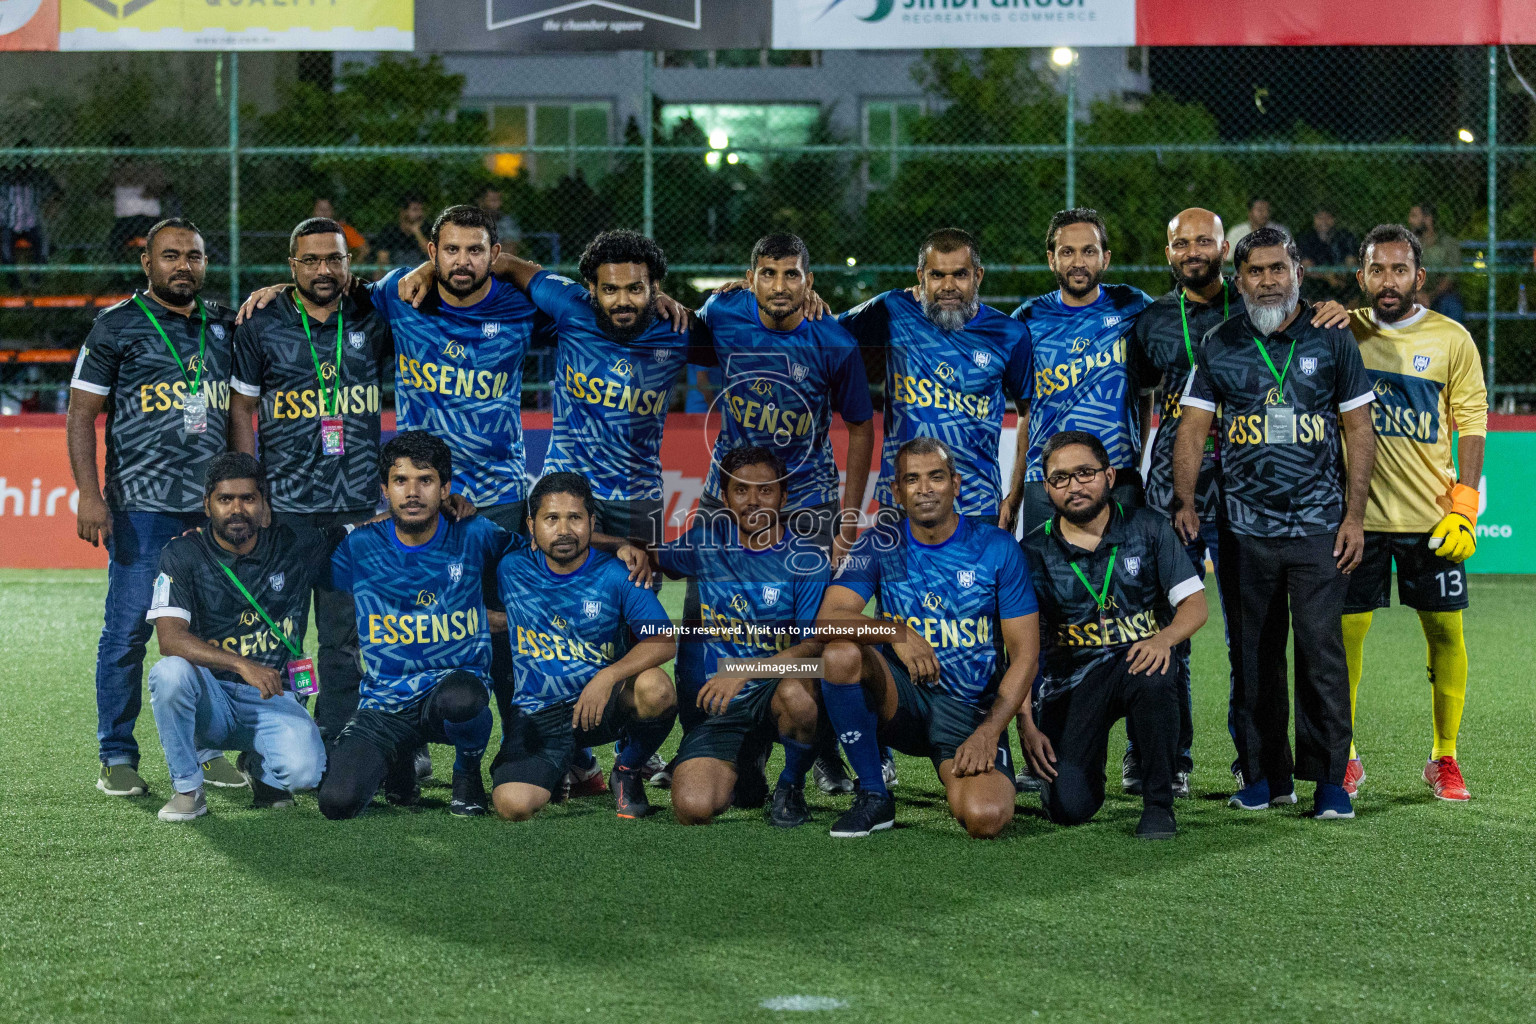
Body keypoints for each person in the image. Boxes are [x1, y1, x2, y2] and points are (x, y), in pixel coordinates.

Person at [239, 205, 554, 785]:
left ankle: (526, 754)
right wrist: (284, 286)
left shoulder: (522, 306)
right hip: (418, 501)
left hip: (499, 496)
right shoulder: (398, 298)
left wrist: (511, 264)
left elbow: (590, 310)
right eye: (450, 250)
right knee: (404, 628)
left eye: (477, 250)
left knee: (510, 631)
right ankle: (392, 742)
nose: (464, 261)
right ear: (431, 253)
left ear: (493, 252)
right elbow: (325, 286)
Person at [1131, 209, 1351, 796]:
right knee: (1173, 628)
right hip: (1186, 497)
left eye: (1205, 240)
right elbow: (1154, 406)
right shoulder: (1153, 321)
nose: (1194, 250)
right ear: (1169, 250)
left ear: (1225, 250)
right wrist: (1166, 492)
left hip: (1264, 503)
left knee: (1270, 643)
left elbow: (1348, 388)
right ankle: (1170, 757)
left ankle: (1278, 767)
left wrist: (1344, 311)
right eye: (1183, 242)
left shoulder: (1278, 310)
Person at [1172, 225, 1377, 821]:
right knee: (1255, 658)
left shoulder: (1333, 337)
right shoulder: (1219, 342)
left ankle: (1330, 784)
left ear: (1298, 272)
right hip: (1243, 529)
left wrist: (1354, 515)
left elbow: (1358, 430)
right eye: (1254, 272)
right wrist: (1186, 501)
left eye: (1277, 269)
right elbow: (1191, 427)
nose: (1267, 281)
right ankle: (1265, 777)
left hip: (1318, 527)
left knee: (1321, 657)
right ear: (1239, 280)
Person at [68, 217, 242, 798]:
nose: (183, 266)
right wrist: (90, 495)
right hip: (141, 509)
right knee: (126, 634)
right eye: (170, 256)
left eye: (193, 256)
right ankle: (116, 755)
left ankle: (209, 747)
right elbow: (79, 415)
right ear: (148, 263)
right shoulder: (116, 326)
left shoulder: (225, 322)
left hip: (212, 514)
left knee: (212, 632)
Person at [696, 232, 875, 796]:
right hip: (727, 496)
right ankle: (708, 737)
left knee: (812, 633)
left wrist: (848, 516)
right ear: (750, 279)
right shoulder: (722, 312)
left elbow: (862, 426)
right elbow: (688, 328)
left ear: (809, 281)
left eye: (792, 275)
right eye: (768, 274)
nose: (780, 286)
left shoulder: (833, 341)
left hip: (807, 502)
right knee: (705, 622)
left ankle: (823, 751)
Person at [398, 228, 711, 549]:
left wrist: (743, 290)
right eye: (610, 290)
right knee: (561, 590)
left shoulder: (679, 330)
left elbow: (742, 332)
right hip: (566, 486)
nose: (622, 301)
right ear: (591, 288)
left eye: (635, 289)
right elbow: (501, 262)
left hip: (637, 494)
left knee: (637, 590)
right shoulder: (569, 305)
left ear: (654, 287)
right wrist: (424, 269)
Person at [815, 437, 1040, 839]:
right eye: (912, 480)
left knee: (985, 817)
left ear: (956, 483)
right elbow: (828, 619)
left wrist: (990, 731)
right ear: (897, 491)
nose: (925, 489)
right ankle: (873, 794)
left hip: (969, 711)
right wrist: (896, 631)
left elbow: (1026, 655)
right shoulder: (880, 544)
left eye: (936, 477)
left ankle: (964, 760)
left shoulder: (997, 547)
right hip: (902, 698)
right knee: (839, 655)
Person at [229, 217, 394, 746]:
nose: (324, 270)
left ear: (349, 263)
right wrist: (252, 494)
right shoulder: (261, 322)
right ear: (291, 266)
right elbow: (242, 411)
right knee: (286, 637)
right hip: (289, 509)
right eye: (311, 260)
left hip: (359, 509)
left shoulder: (375, 314)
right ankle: (289, 736)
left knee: (345, 639)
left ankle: (339, 735)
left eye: (335, 259)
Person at [1344, 224, 1488, 802]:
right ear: (1362, 277)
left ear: (1418, 277)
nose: (1388, 281)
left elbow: (1472, 423)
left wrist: (1465, 510)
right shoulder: (1344, 332)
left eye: (1399, 270)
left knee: (1445, 633)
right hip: (1358, 523)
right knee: (1343, 642)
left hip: (1430, 522)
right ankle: (1344, 753)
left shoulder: (1452, 339)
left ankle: (1444, 757)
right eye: (1377, 270)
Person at [1018, 432, 1207, 838]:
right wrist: (1025, 722)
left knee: (1156, 670)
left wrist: (1163, 639)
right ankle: (1086, 770)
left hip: (1136, 664)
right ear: (1047, 487)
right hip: (1071, 683)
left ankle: (1159, 805)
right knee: (1068, 808)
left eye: (1085, 473)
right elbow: (1018, 650)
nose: (1074, 486)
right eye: (1060, 478)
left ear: (1108, 475)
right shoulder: (1030, 552)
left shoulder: (1149, 529)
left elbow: (1195, 606)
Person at [318, 431, 509, 820]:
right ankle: (398, 758)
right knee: (337, 802)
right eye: (400, 480)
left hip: (452, 687)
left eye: (425, 480)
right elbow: (293, 559)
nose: (412, 492)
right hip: (385, 701)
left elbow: (537, 561)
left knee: (465, 699)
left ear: (446, 488)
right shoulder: (360, 546)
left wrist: (614, 549)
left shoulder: (475, 533)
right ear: (385, 491)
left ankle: (466, 773)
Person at [641, 445, 828, 828]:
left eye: (766, 490)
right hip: (724, 706)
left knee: (796, 693)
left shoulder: (807, 559)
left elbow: (814, 651)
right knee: (693, 807)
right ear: (725, 497)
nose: (753, 501)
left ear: (783, 495)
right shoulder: (706, 543)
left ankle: (791, 784)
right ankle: (747, 761)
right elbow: (655, 556)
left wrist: (743, 669)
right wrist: (626, 550)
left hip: (779, 692)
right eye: (741, 490)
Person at [144, 453, 329, 821]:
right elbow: (169, 639)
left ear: (263, 504)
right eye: (225, 499)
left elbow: (370, 529)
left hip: (274, 696)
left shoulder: (294, 543)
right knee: (170, 673)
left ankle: (259, 766)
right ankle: (188, 789)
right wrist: (243, 665)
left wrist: (440, 509)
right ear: (207, 504)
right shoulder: (182, 554)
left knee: (305, 774)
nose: (237, 509)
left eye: (248, 498)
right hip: (211, 699)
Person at [489, 473, 678, 822]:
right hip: (536, 712)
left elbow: (663, 639)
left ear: (592, 522)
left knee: (657, 689)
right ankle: (577, 767)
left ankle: (628, 767)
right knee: (513, 806)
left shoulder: (619, 574)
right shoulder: (509, 566)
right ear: (532, 525)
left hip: (601, 706)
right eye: (551, 519)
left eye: (575, 518)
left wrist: (609, 676)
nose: (564, 530)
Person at [838, 227, 1031, 527]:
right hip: (902, 501)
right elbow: (823, 332)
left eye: (960, 274)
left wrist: (1015, 496)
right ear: (921, 277)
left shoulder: (1009, 334)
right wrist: (747, 297)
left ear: (978, 276)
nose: (948, 286)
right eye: (937, 275)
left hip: (976, 505)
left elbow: (1027, 413)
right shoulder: (894, 310)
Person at [1003, 208, 1155, 536]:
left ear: (1106, 258)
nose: (1078, 262)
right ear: (1051, 259)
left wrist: (1134, 464)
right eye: (1067, 251)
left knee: (1122, 584)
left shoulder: (1134, 306)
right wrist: (1014, 495)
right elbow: (1025, 414)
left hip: (1117, 478)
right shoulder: (1027, 319)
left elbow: (1146, 393)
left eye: (1088, 251)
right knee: (1048, 586)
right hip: (1046, 481)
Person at [0, 138, 61, 279]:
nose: (24, 160)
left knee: (43, 245)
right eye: (21, 156)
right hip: (10, 224)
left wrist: (50, 205)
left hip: (32, 224)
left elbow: (57, 193)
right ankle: (14, 283)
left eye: (27, 156)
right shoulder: (6, 175)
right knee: (5, 249)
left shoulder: (38, 175)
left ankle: (35, 278)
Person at [1408, 203, 1463, 322]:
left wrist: (1430, 296)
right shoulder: (1407, 245)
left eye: (1414, 216)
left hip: (1440, 295)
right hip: (1414, 295)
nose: (1410, 220)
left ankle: (1452, 340)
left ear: (1428, 219)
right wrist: (1417, 294)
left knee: (1452, 305)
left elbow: (1450, 277)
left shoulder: (1448, 244)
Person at [1295, 206, 1358, 304]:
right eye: (1320, 218)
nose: (1324, 221)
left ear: (1334, 220)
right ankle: (1311, 316)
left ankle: (1352, 317)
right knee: (1307, 284)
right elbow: (1307, 267)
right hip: (1317, 279)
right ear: (1314, 219)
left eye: (1328, 217)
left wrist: (1338, 276)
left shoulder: (1345, 236)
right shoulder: (1306, 238)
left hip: (1340, 278)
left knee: (1354, 283)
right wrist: (1328, 277)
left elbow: (1351, 262)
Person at [370, 192, 430, 269]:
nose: (420, 214)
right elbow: (382, 259)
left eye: (421, 210)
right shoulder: (390, 231)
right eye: (415, 210)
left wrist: (417, 232)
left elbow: (432, 254)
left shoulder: (427, 229)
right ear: (403, 212)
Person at [310, 197, 369, 262]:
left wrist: (354, 266)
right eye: (320, 210)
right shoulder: (306, 230)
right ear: (313, 212)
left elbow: (364, 249)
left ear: (333, 211)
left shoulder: (343, 229)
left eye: (327, 210)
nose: (324, 213)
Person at [477, 185, 522, 256]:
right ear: (481, 202)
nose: (497, 205)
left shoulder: (507, 222)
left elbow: (510, 251)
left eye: (498, 200)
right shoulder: (469, 222)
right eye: (492, 200)